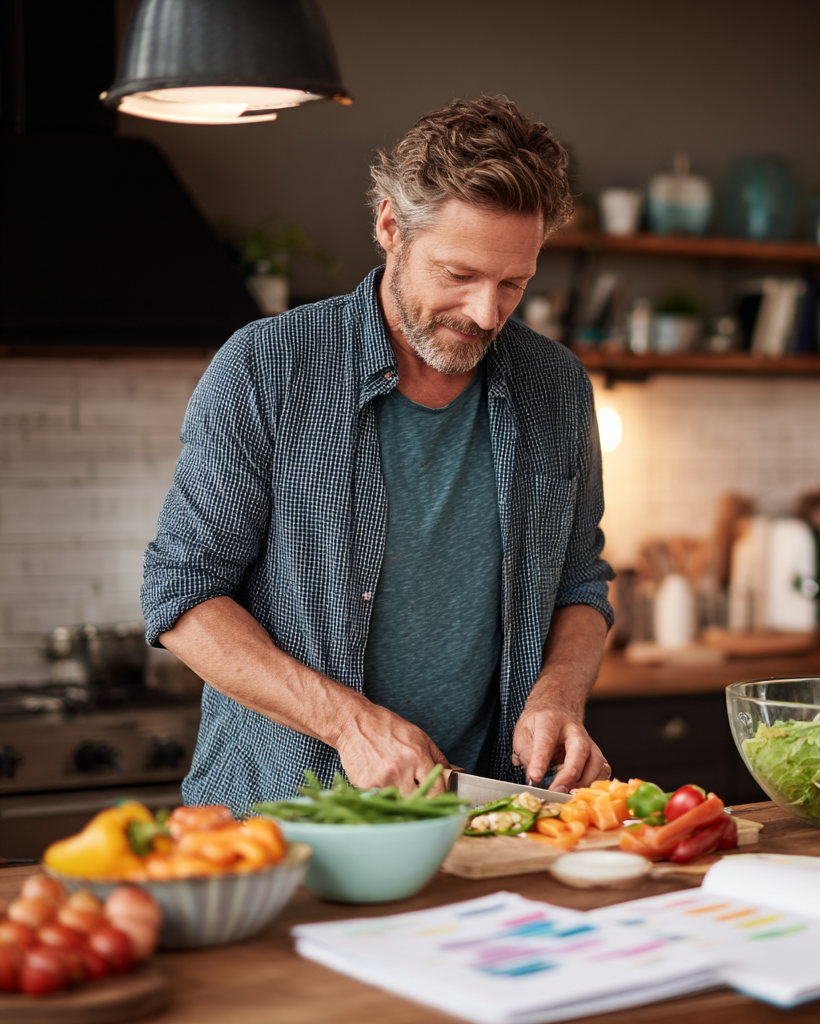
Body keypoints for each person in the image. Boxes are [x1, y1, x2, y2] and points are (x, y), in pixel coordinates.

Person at [141, 96, 614, 815]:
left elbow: (580, 584)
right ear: (390, 227)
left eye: (513, 283)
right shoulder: (268, 368)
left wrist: (558, 694)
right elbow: (181, 596)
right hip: (281, 819)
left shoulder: (555, 386)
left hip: (485, 820)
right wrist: (348, 722)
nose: (486, 313)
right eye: (458, 274)